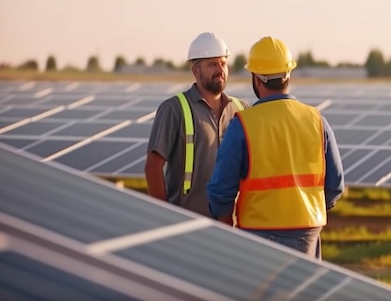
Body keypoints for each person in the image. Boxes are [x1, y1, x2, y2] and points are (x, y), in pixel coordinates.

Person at [206, 36, 344, 259]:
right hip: (307, 234)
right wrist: (306, 212)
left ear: (256, 80)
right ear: (288, 75)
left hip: (258, 236)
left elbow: (221, 191)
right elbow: (335, 186)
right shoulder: (316, 120)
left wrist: (228, 229)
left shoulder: (243, 124)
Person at [145, 32, 250, 217]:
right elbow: (153, 167)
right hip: (185, 222)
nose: (220, 69)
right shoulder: (174, 109)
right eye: (212, 64)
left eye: (223, 63)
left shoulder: (242, 109)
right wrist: (163, 216)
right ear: (195, 70)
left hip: (231, 225)